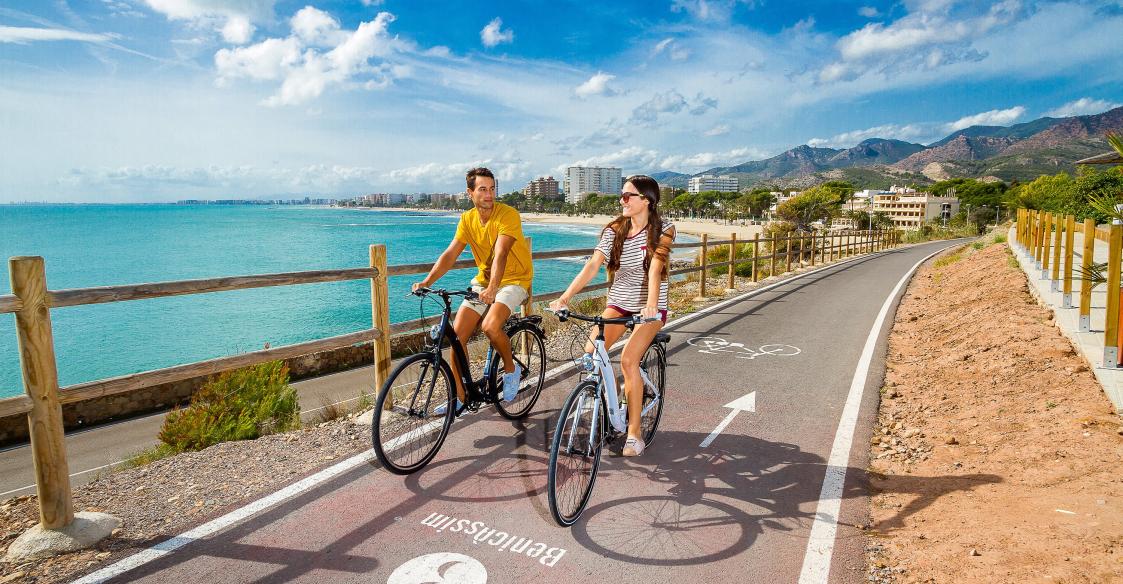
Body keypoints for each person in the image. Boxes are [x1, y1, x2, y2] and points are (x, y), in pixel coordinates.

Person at [549, 175, 674, 456]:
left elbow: (655, 267)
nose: (622, 200)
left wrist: (651, 305)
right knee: (592, 350)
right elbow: (593, 265)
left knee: (629, 360)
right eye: (622, 195)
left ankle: (634, 434)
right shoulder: (614, 230)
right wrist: (565, 297)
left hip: (649, 308)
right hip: (619, 302)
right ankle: (611, 391)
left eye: (628, 196)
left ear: (647, 201)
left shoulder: (665, 228)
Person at [413, 167, 534, 414]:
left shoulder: (507, 215)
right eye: (483, 189)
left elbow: (500, 254)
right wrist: (427, 281)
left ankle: (512, 370)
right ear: (470, 193)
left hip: (514, 280)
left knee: (490, 326)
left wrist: (492, 288)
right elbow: (450, 254)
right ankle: (460, 396)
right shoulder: (467, 220)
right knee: (456, 337)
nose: (489, 194)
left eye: (492, 189)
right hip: (483, 282)